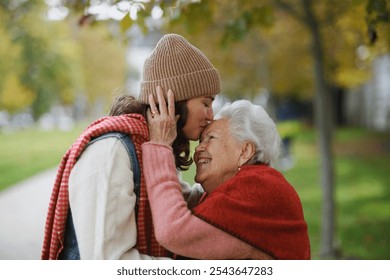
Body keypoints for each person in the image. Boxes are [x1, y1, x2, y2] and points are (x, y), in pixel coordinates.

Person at [41, 33, 222, 260]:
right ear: (173, 100)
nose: (211, 115)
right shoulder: (113, 151)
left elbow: (181, 203)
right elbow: (110, 262)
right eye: (206, 103)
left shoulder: (154, 145)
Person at [142, 99, 311, 260]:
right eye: (201, 140)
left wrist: (160, 146)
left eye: (211, 138)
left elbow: (173, 231)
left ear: (244, 151)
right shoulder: (247, 186)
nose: (198, 148)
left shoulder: (258, 186)